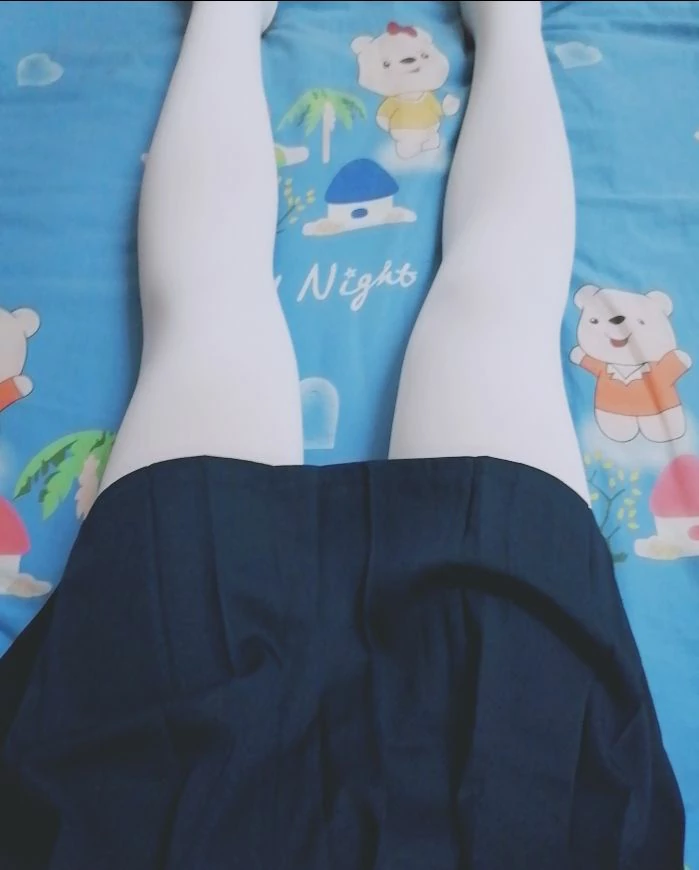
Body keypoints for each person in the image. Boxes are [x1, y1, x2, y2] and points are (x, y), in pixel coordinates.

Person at [0, 2, 685, 868]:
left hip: (154, 788)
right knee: (487, 312)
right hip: (503, 794)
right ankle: (497, 20)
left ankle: (234, 14)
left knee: (236, 320)